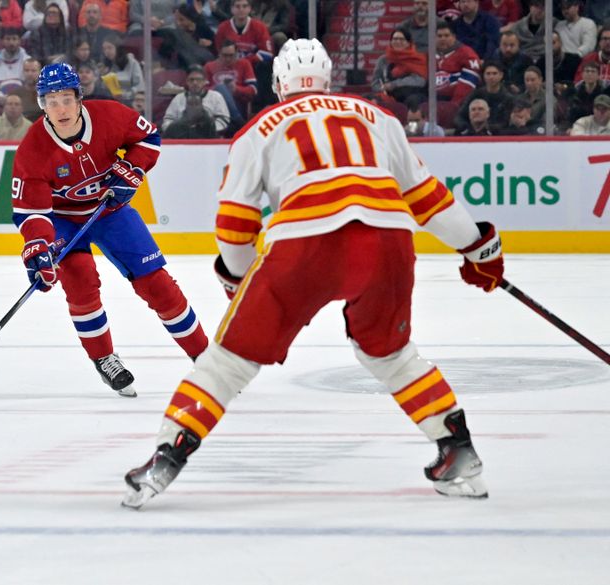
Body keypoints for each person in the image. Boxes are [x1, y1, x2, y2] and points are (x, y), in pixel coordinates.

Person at [123, 38, 502, 509]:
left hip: (305, 244)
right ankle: (458, 450)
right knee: (391, 354)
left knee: (228, 361)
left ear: (279, 84)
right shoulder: (378, 118)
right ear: (328, 80)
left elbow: (235, 226)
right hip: (387, 240)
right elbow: (428, 198)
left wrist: (238, 279)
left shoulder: (260, 128)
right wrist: (478, 247)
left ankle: (167, 455)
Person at [11, 63, 208, 397]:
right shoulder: (33, 149)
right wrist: (39, 251)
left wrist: (131, 168)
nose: (60, 108)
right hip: (63, 219)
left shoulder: (110, 116)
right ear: (42, 104)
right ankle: (104, 358)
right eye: (51, 100)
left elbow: (149, 137)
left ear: (79, 98)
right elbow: (31, 212)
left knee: (158, 285)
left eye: (66, 98)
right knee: (81, 281)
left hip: (110, 211)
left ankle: (206, 358)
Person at [162, 64, 230, 137]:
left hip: (209, 138)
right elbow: (167, 121)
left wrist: (206, 129)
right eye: (191, 80)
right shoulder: (178, 98)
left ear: (205, 81)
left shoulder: (216, 97)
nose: (195, 83)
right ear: (187, 81)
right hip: (183, 138)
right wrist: (179, 129)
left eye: (198, 79)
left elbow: (224, 120)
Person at [371, 27, 427, 105]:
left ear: (408, 43)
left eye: (401, 39)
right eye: (395, 39)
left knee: (412, 100)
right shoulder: (383, 60)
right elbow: (375, 83)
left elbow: (420, 81)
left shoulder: (417, 59)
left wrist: (394, 84)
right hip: (388, 94)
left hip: (411, 94)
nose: (397, 42)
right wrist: (382, 88)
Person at [435, 22, 481, 105]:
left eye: (446, 35)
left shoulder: (467, 53)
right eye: (439, 36)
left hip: (457, 101)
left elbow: (468, 83)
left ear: (454, 37)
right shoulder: (430, 54)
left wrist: (454, 104)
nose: (443, 39)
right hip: (433, 100)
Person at [0, 28, 30, 106]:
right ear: (2, 41)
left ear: (19, 41)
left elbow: (30, 85)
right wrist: (0, 98)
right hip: (1, 102)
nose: (11, 42)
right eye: (8, 39)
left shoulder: (28, 61)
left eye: (14, 39)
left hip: (24, 101)